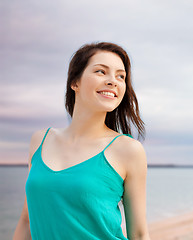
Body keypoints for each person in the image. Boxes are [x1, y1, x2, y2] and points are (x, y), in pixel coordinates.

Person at [13, 42, 150, 240]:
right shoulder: (40, 141)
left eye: (121, 76)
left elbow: (138, 234)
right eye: (101, 71)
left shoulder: (128, 150)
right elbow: (27, 220)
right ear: (74, 82)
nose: (113, 81)